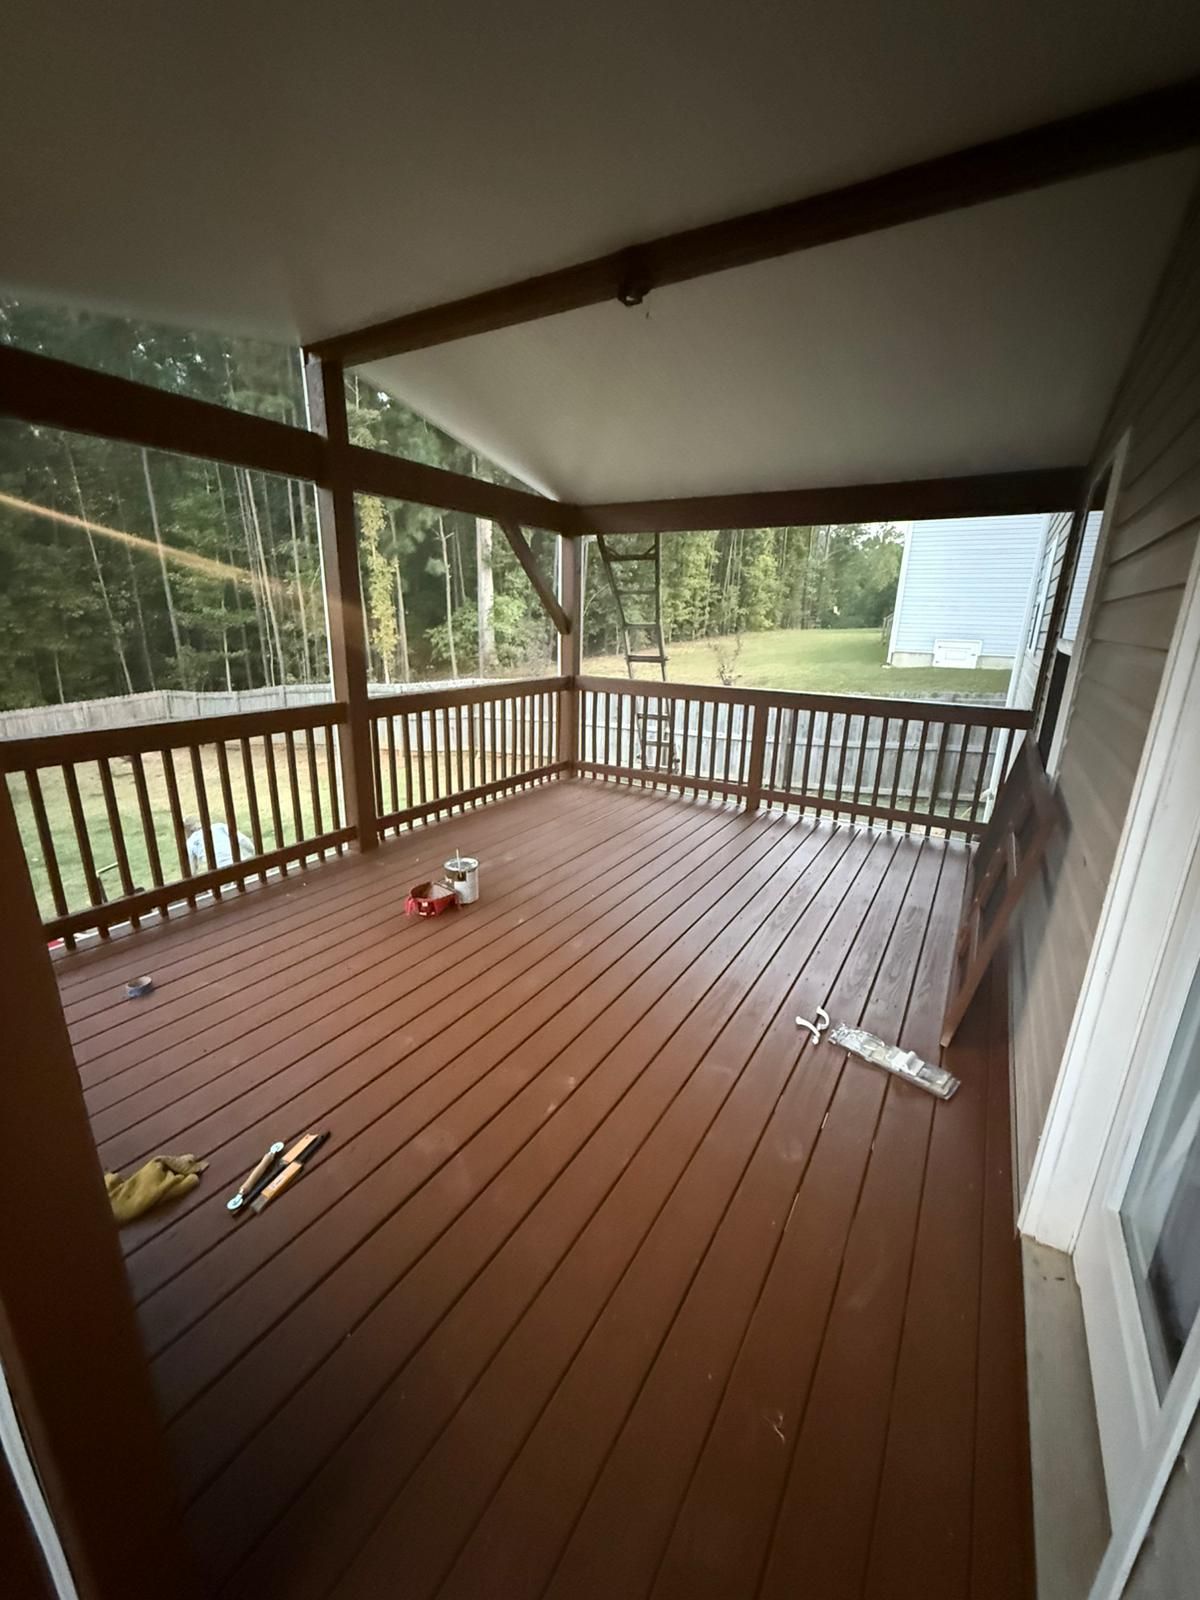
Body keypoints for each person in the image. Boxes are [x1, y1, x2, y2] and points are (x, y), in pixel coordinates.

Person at [183, 815, 255, 872]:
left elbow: (192, 869)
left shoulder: (190, 842)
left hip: (218, 873)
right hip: (238, 865)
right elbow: (243, 840)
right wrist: (253, 852)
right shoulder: (220, 826)